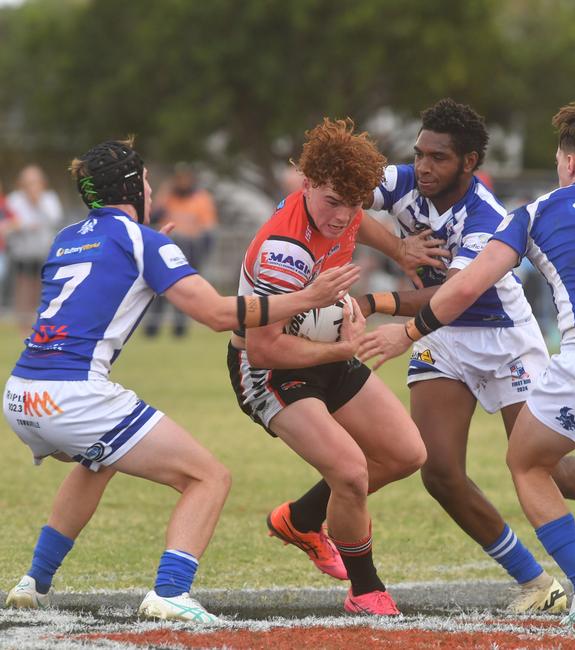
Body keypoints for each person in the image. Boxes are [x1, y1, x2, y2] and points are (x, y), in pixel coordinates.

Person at [3, 138, 360, 622]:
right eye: (147, 181)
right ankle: (171, 592)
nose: (153, 188)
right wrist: (308, 296)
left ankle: (33, 582)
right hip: (74, 396)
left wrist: (153, 251)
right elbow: (216, 315)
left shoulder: (69, 235)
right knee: (209, 477)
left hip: (22, 394)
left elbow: (103, 287)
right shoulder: (143, 242)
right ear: (134, 186)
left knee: (96, 460)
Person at [358, 102, 575, 625]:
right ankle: (554, 571)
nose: (423, 165)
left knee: (529, 463)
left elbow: (466, 286)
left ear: (567, 163)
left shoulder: (531, 212)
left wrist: (402, 330)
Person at [228, 118, 428, 615]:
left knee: (405, 454)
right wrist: (341, 351)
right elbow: (263, 350)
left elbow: (359, 223)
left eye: (354, 203)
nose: (343, 218)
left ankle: (301, 517)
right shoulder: (284, 253)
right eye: (333, 202)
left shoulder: (344, 210)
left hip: (325, 345)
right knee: (352, 471)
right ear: (308, 184)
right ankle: (366, 590)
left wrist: (401, 249)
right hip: (269, 370)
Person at [144, 163, 219, 337]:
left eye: (185, 177)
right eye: (178, 178)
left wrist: (202, 255)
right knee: (159, 292)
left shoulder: (201, 198)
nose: (182, 182)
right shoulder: (169, 196)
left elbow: (209, 228)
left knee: (184, 294)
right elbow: (154, 216)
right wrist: (164, 192)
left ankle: (179, 331)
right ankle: (152, 330)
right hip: (165, 251)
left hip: (190, 251)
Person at [6, 165, 63, 330]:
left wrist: (37, 203)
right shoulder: (14, 200)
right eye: (27, 182)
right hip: (22, 253)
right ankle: (22, 322)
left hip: (44, 252)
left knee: (42, 287)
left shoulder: (49, 199)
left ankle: (40, 321)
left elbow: (54, 219)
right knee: (23, 287)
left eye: (35, 182)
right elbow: (9, 224)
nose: (31, 186)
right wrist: (24, 225)